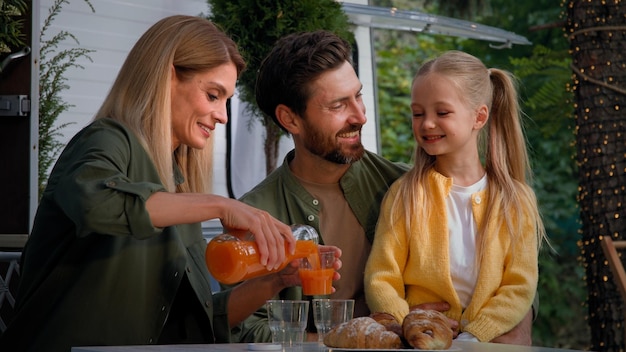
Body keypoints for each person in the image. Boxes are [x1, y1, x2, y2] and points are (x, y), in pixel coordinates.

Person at [0, 16, 341, 352]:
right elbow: (96, 204)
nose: (222, 115)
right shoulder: (106, 141)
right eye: (212, 95)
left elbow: (192, 324)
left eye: (226, 101)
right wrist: (223, 204)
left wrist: (278, 280)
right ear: (167, 77)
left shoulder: (177, 186)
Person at [231, 31, 535, 344]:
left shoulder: (405, 183)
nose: (360, 116)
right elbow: (241, 328)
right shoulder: (256, 215)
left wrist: (494, 333)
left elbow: (516, 282)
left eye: (358, 96)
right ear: (290, 119)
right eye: (338, 105)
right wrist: (381, 331)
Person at [364, 50, 548, 345]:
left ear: (479, 116)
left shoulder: (516, 199)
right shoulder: (404, 195)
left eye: (442, 112)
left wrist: (476, 335)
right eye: (418, 113)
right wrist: (408, 325)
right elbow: (382, 277)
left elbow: (519, 285)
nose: (427, 124)